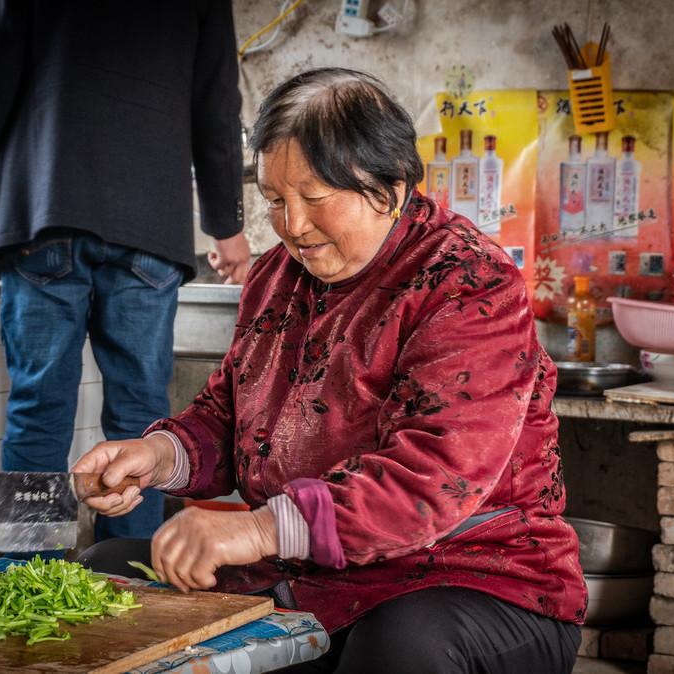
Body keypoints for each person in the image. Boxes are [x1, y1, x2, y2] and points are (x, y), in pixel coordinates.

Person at [74, 68, 587, 673]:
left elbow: (434, 478)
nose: (291, 226)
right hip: (308, 575)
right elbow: (229, 414)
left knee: (400, 647)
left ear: (388, 187)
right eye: (274, 201)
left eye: (314, 198)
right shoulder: (275, 278)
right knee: (107, 574)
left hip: (470, 576)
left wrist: (261, 530)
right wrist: (159, 455)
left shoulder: (467, 282)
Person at [0, 1, 251, 543]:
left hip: (45, 209)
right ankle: (135, 575)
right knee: (141, 412)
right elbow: (216, 102)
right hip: (149, 221)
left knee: (37, 403)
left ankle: (17, 572)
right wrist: (225, 227)